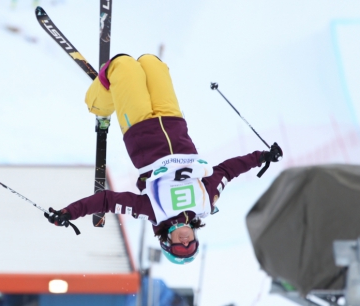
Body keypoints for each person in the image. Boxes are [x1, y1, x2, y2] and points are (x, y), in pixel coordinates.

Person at [44, 54, 283, 265]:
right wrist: (262, 157)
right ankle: (112, 87)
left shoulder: (153, 211)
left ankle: (98, 105)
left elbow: (106, 201)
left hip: (139, 129)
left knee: (123, 65)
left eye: (180, 248)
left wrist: (69, 212)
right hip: (173, 121)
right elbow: (228, 171)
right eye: (191, 246)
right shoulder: (205, 203)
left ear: (167, 241)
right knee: (152, 63)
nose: (186, 242)